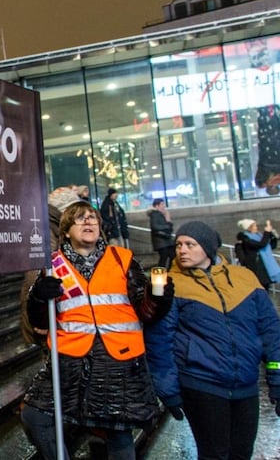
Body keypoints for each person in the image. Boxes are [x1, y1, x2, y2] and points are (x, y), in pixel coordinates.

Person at [20, 201, 174, 460]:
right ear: (66, 230)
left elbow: (145, 309)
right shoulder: (52, 265)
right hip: (71, 361)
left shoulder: (121, 258)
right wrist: (38, 297)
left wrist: (159, 298)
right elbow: (39, 320)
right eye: (80, 219)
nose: (89, 222)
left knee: (118, 434)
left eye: (93, 218)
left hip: (118, 359)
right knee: (34, 415)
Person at [144, 221, 280, 460]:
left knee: (241, 453)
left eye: (190, 244)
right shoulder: (170, 286)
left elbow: (271, 331)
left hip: (246, 384)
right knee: (214, 454)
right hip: (201, 384)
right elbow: (160, 340)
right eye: (178, 245)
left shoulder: (245, 278)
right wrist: (168, 390)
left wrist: (277, 378)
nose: (182, 250)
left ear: (207, 247)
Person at [20, 186, 82, 344]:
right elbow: (36, 274)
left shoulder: (54, 225)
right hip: (46, 316)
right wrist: (41, 318)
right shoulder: (45, 230)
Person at [235, 218, 280, 289]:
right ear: (249, 228)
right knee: (261, 287)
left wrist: (272, 235)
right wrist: (266, 232)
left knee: (266, 286)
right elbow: (261, 244)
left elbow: (270, 246)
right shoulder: (246, 239)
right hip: (257, 268)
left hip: (265, 267)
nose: (257, 227)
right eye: (255, 226)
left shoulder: (259, 236)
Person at [147, 198, 174, 268]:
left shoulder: (161, 214)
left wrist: (168, 221)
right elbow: (155, 227)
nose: (164, 206)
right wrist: (167, 224)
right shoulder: (155, 214)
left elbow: (170, 228)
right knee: (164, 258)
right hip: (161, 241)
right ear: (157, 206)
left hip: (165, 241)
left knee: (171, 256)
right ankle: (160, 273)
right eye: (162, 204)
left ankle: (166, 272)